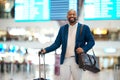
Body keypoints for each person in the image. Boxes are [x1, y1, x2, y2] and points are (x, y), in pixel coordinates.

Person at [40, 9, 95, 80]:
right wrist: (45, 50)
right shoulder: (62, 29)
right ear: (67, 16)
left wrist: (83, 49)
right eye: (70, 14)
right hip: (65, 60)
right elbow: (56, 44)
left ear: (76, 16)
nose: (72, 16)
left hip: (78, 60)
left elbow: (91, 42)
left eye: (73, 14)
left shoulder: (84, 28)